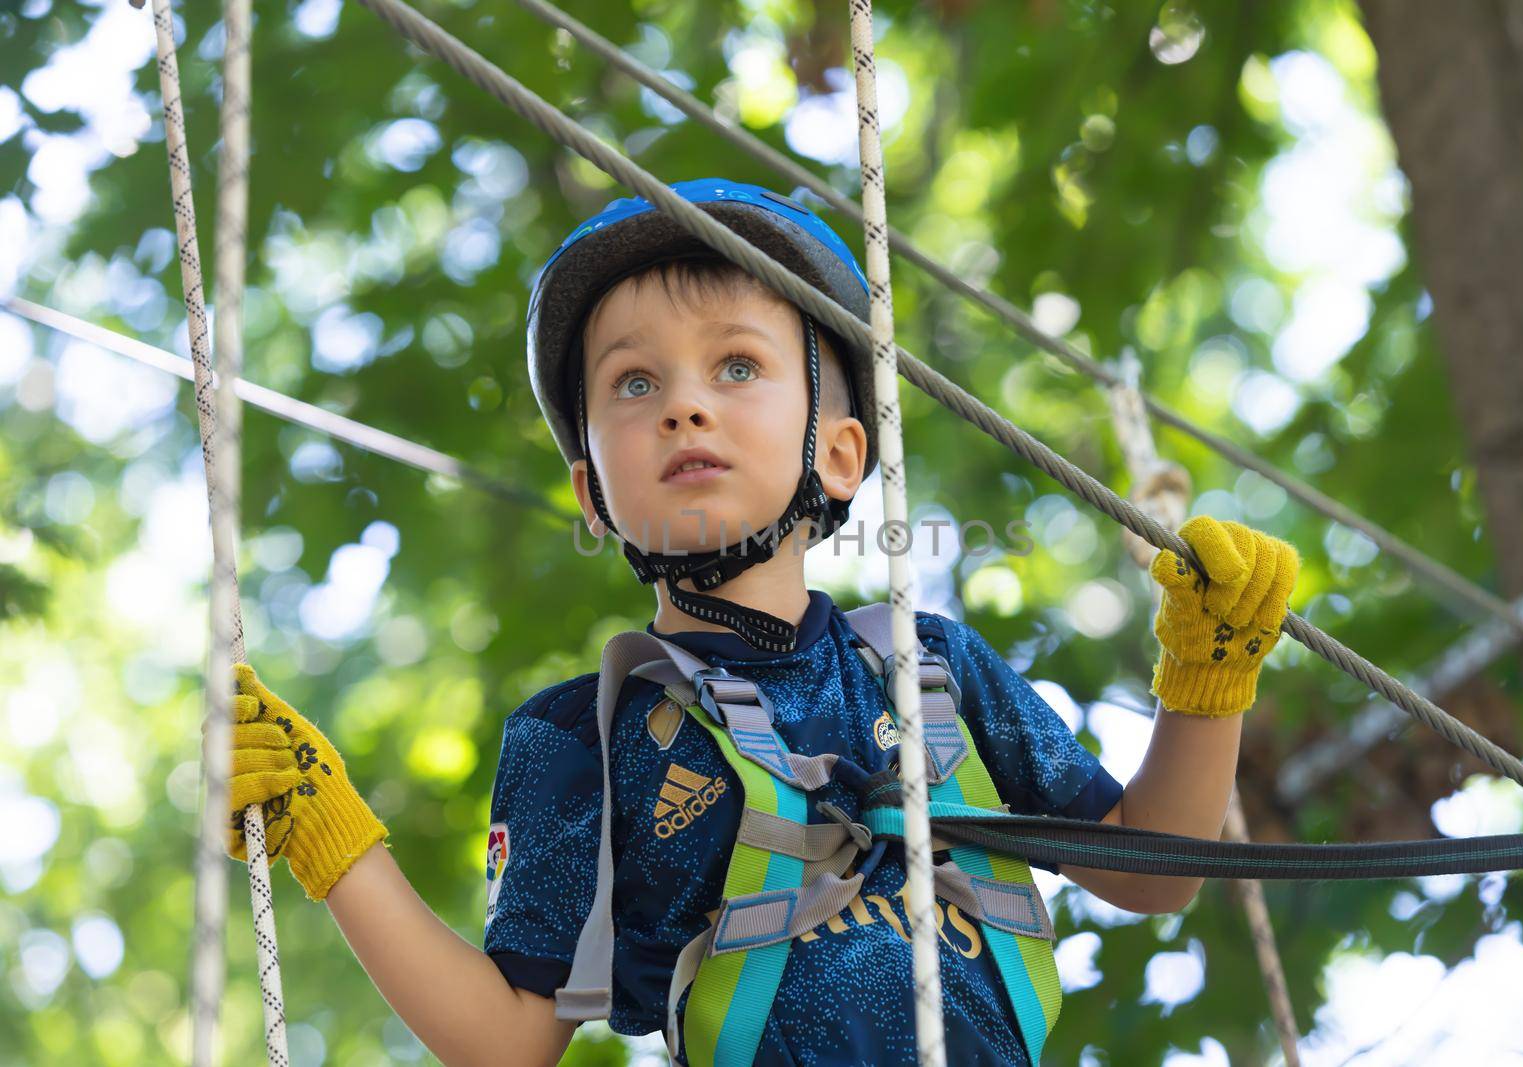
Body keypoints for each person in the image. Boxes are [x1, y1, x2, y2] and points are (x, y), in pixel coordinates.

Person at [226, 178, 1299, 1066]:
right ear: (593, 493)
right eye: (634, 383)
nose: (684, 405)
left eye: (736, 366)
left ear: (837, 452)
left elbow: (1152, 869)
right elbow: (508, 1038)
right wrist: (339, 845)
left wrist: (1203, 687)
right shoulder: (581, 737)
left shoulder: (929, 669)